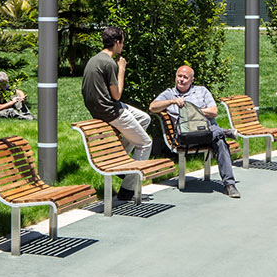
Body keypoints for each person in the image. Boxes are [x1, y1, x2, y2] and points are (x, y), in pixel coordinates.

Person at [81, 24, 154, 200]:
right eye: (122, 42)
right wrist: (121, 69)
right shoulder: (109, 63)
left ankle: (121, 163)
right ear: (116, 42)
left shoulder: (95, 59)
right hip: (111, 111)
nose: (123, 46)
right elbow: (117, 95)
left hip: (101, 108)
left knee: (144, 118)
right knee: (145, 143)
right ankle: (128, 189)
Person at [149, 63, 240, 198]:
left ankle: (229, 185)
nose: (181, 79)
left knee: (220, 142)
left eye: (185, 77)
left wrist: (192, 112)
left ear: (192, 80)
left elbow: (214, 111)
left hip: (207, 133)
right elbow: (152, 107)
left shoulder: (202, 91)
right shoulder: (170, 94)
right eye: (179, 76)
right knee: (218, 134)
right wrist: (171, 102)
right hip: (186, 137)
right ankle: (225, 132)